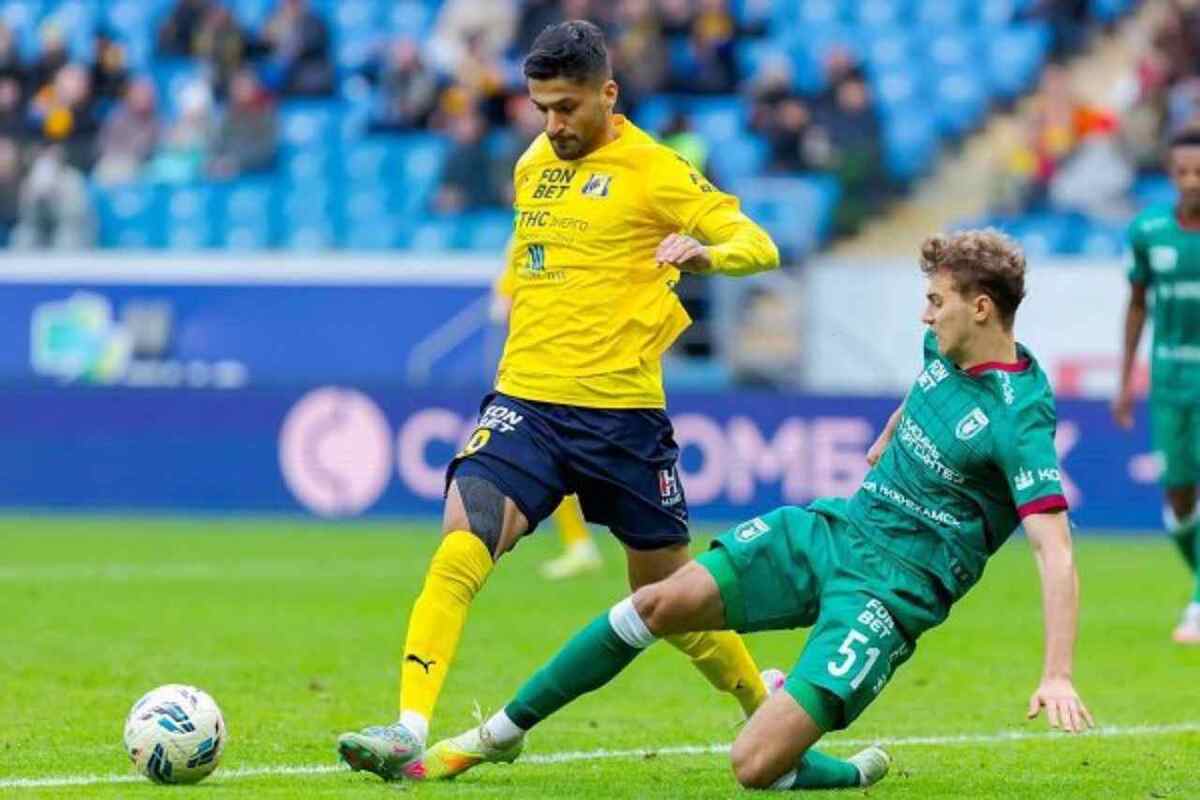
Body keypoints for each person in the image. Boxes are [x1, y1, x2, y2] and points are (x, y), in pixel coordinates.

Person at [421, 229, 1094, 789]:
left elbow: (1055, 550)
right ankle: (498, 734)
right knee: (657, 602)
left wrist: (1058, 674)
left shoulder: (1020, 422)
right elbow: (929, 387)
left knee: (753, 767)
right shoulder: (944, 349)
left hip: (891, 595)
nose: (925, 315)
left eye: (936, 302)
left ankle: (847, 774)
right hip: (837, 531)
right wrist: (892, 431)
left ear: (981, 309)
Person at [337, 19, 780, 781]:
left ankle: (763, 708)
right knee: (463, 542)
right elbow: (536, 257)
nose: (554, 124)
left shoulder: (655, 169)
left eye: (568, 107)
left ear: (608, 94)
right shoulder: (532, 164)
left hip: (621, 419)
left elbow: (759, 244)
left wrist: (707, 255)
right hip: (527, 405)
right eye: (542, 107)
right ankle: (408, 726)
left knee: (668, 598)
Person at [1114, 128, 1200, 644]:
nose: (1191, 181)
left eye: (1199, 173)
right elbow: (1137, 305)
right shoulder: (1148, 230)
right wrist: (1126, 380)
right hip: (1169, 381)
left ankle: (1199, 603)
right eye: (1182, 172)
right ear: (1170, 174)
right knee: (1180, 496)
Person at [491, 257, 604, 580]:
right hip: (562, 370)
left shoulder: (528, 240)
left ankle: (581, 545)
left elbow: (505, 307)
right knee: (557, 462)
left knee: (552, 461)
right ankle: (580, 544)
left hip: (545, 373)